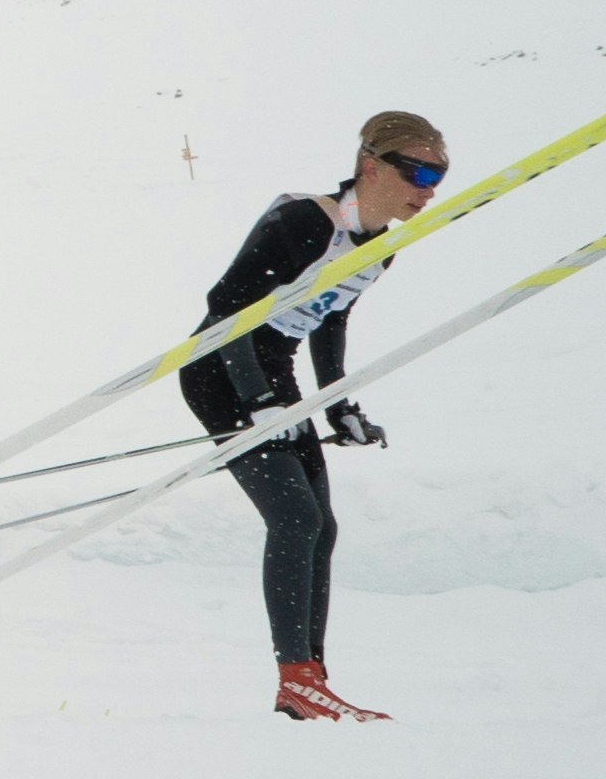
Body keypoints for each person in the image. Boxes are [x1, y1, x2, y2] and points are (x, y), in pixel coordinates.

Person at [180, 112, 445, 721]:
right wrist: (257, 402)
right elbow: (224, 309)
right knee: (295, 519)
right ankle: (296, 679)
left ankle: (308, 679)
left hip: (274, 372)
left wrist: (339, 403)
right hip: (220, 372)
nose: (431, 188)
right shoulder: (304, 219)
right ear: (372, 167)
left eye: (440, 175)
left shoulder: (379, 248)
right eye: (422, 172)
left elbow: (331, 319)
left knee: (321, 526)